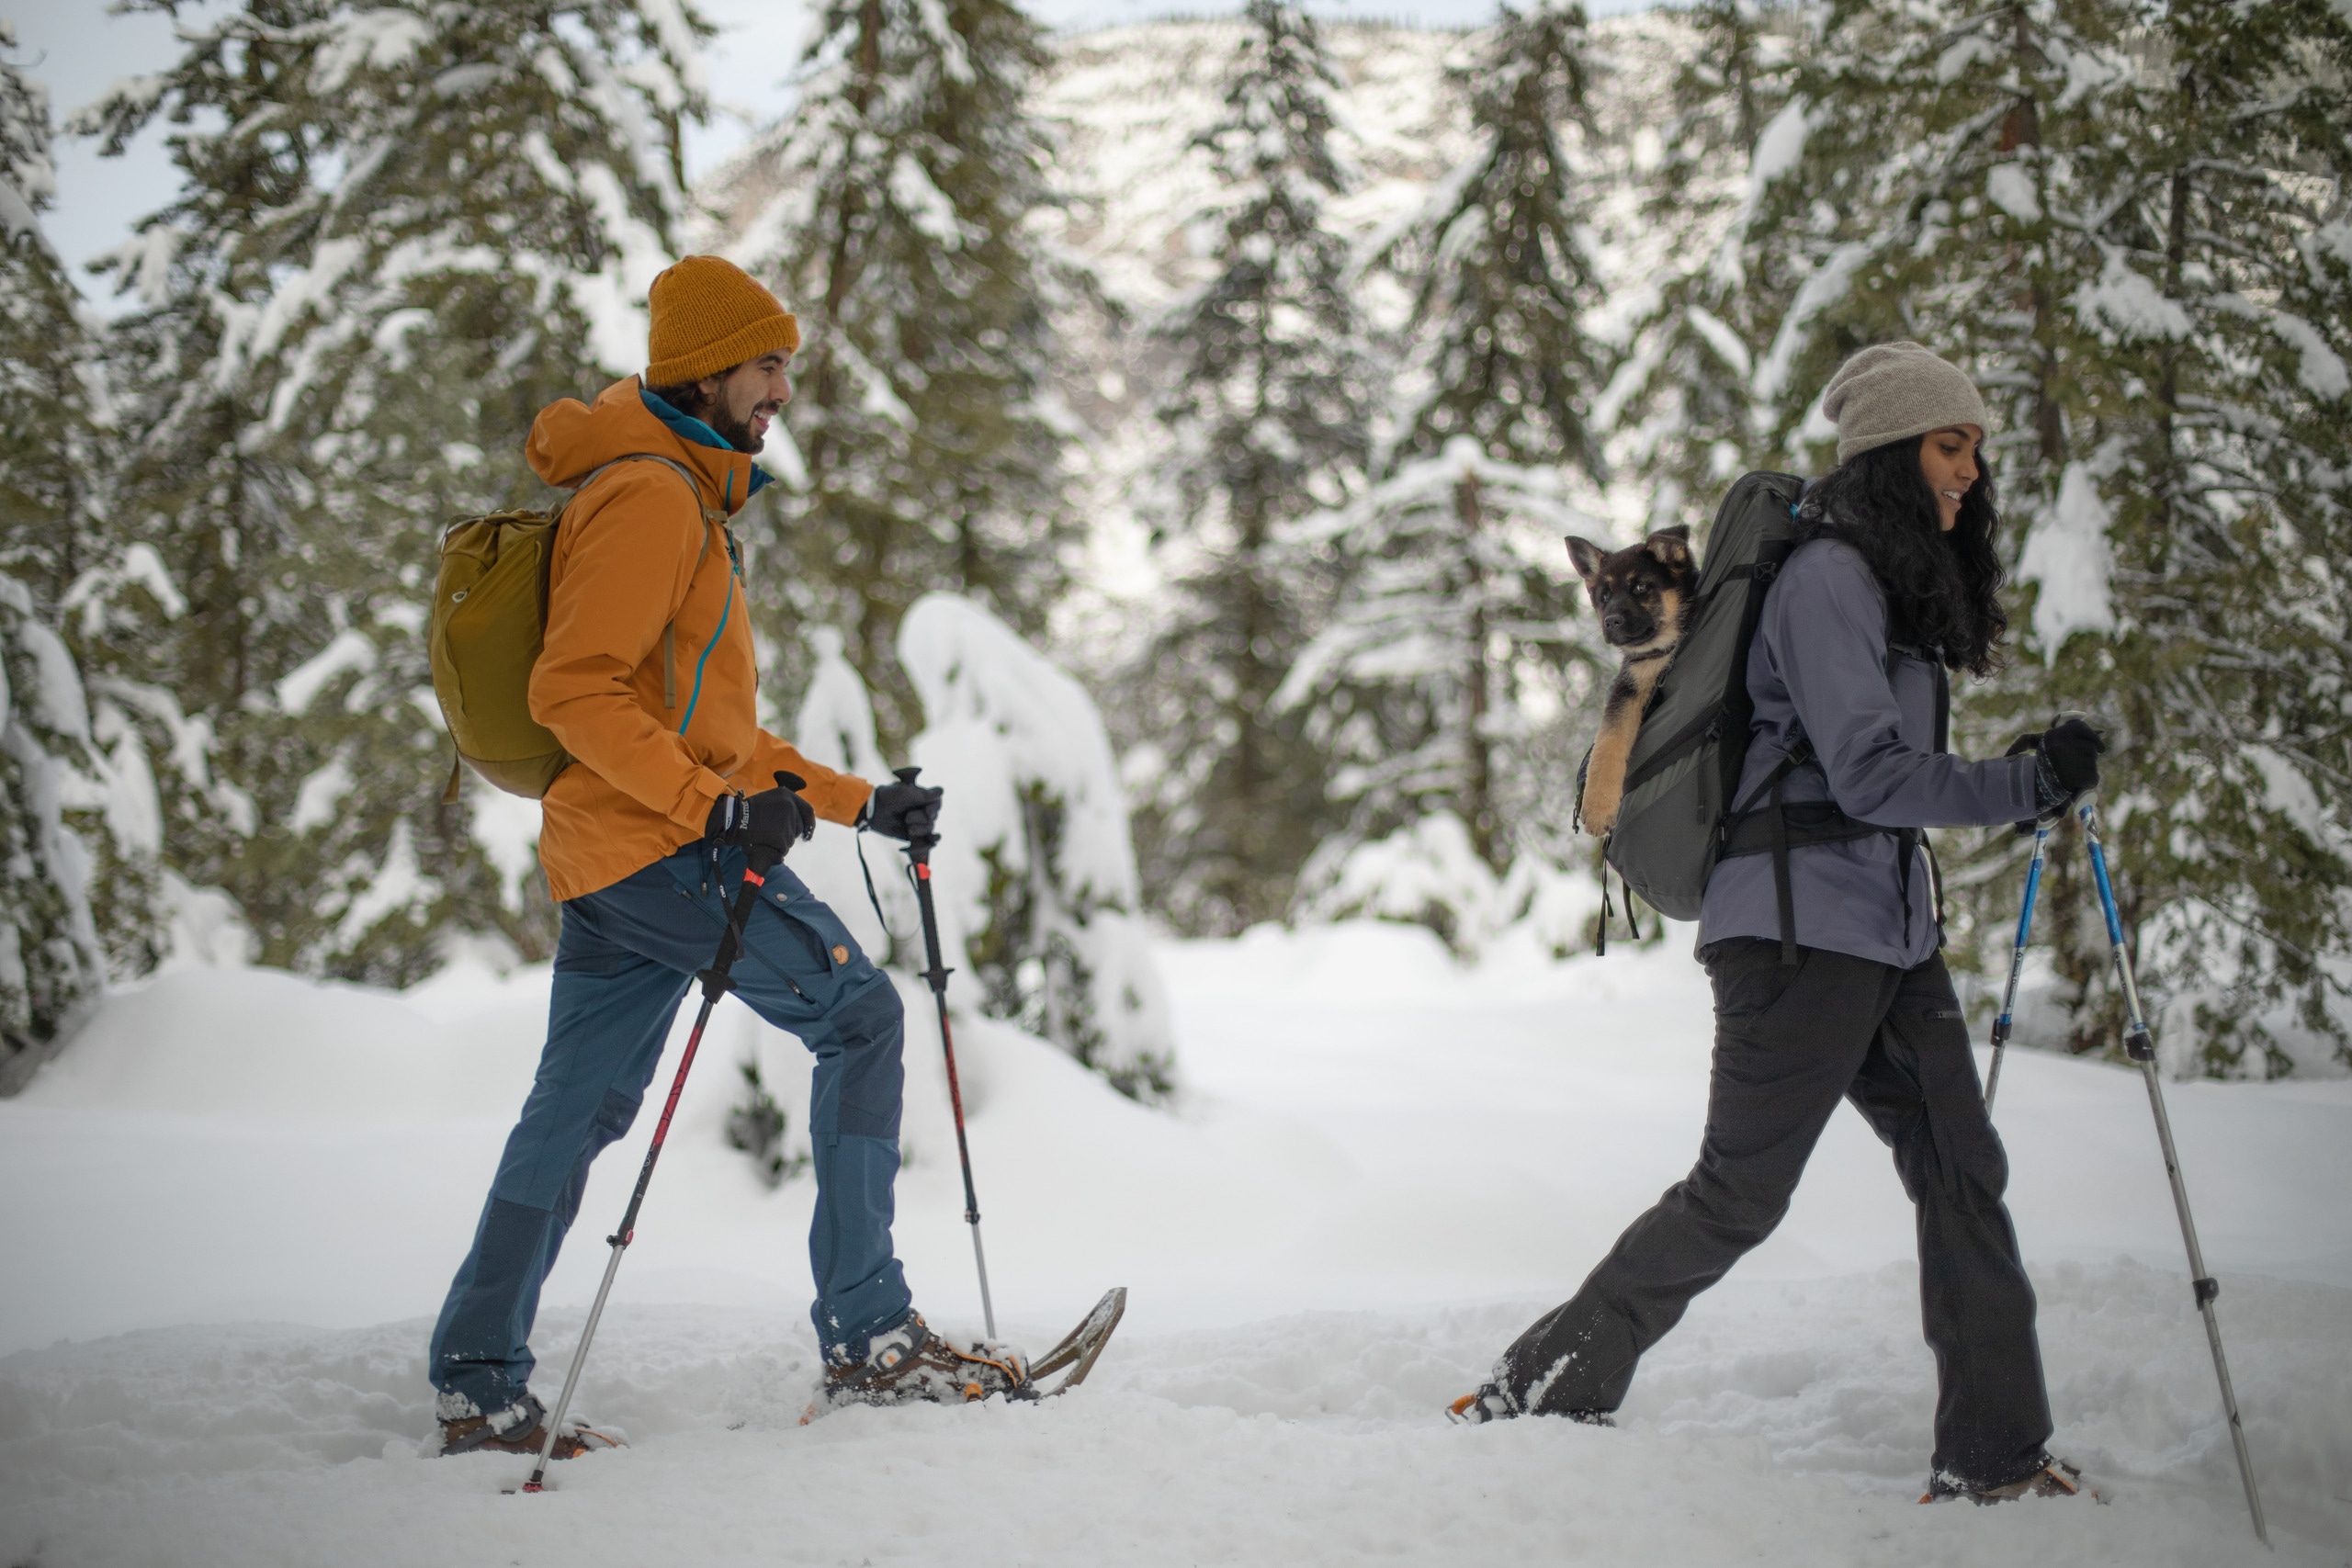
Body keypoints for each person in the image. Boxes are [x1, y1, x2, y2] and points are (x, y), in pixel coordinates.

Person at [1451, 341, 2106, 1506]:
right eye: (1950, 446)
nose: (1969, 470)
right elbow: (1866, 774)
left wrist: (2017, 776)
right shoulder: (1827, 582)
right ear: (1897, 450)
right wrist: (2019, 785)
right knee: (1739, 1193)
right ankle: (1538, 1385)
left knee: (1963, 1169)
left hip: (1879, 930)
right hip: (1796, 934)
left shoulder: (1883, 584)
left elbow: (1874, 776)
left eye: (1975, 449)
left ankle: (1994, 1458)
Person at [431, 256, 1016, 1459]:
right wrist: (707, 810)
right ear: (703, 368)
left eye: (787, 365)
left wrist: (864, 803)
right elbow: (573, 689)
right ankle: (869, 1333)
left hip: (614, 856)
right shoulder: (650, 497)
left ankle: (477, 1377)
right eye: (765, 364)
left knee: (577, 1107)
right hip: (658, 850)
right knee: (859, 1013)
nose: (782, 389)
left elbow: (727, 737)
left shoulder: (677, 494)